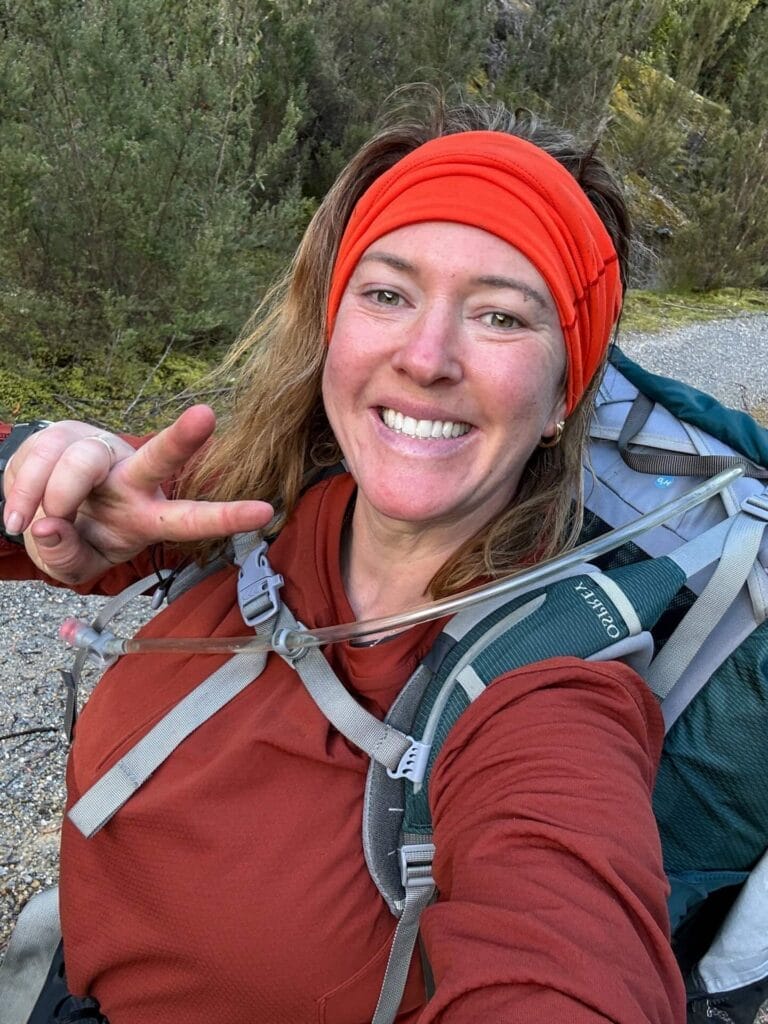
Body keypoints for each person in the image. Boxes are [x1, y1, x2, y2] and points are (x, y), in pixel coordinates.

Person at [0, 97, 686, 1023]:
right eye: (388, 294)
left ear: (566, 394)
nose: (427, 356)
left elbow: (567, 953)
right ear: (335, 333)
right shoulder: (240, 507)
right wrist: (30, 477)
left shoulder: (549, 692)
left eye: (500, 317)